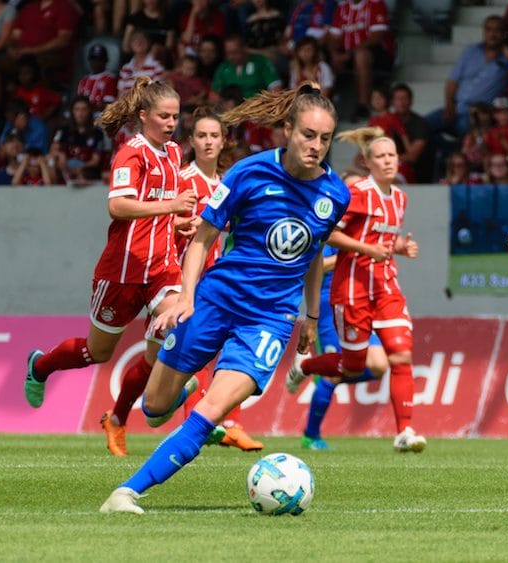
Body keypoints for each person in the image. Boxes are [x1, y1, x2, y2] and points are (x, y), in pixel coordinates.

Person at [98, 83, 350, 514]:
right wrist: (185, 298)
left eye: (325, 139)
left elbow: (310, 254)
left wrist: (310, 316)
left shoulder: (335, 195)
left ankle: (126, 493)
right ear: (286, 130)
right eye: (308, 135)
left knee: (210, 412)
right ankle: (181, 385)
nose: (316, 146)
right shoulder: (247, 174)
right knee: (156, 409)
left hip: (268, 320)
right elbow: (203, 239)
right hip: (215, 300)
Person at [24, 77, 199, 435]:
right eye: (164, 116)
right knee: (97, 352)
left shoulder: (175, 153)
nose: (171, 124)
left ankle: (162, 399)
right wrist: (172, 206)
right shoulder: (131, 153)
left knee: (181, 319)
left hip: (162, 268)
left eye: (175, 117)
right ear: (143, 114)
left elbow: (165, 210)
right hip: (121, 272)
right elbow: (117, 206)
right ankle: (40, 366)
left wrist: (179, 223)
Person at [285, 126, 426, 454]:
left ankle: (404, 430)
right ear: (368, 162)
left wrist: (399, 247)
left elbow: (383, 241)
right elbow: (328, 236)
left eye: (392, 155)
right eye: (381, 156)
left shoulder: (401, 198)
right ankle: (305, 367)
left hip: (386, 287)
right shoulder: (359, 194)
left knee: (400, 355)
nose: (388, 161)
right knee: (351, 365)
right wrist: (366, 249)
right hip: (351, 292)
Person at [286, 242, 388, 450]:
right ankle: (311, 436)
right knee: (331, 376)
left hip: (359, 304)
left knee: (379, 364)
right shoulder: (332, 227)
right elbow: (316, 266)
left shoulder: (362, 230)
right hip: (330, 304)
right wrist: (356, 253)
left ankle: (311, 366)